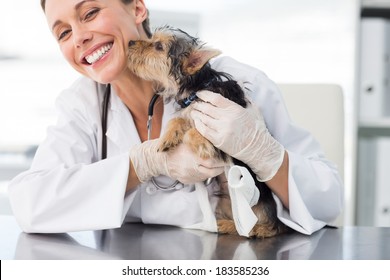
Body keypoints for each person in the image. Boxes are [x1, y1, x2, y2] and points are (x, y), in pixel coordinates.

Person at [8, 0, 343, 234]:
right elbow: (29, 204)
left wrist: (265, 154)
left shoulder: (236, 83)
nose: (79, 36)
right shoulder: (82, 105)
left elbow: (327, 199)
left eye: (91, 12)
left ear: (137, 7)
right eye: (63, 33)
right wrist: (141, 164)